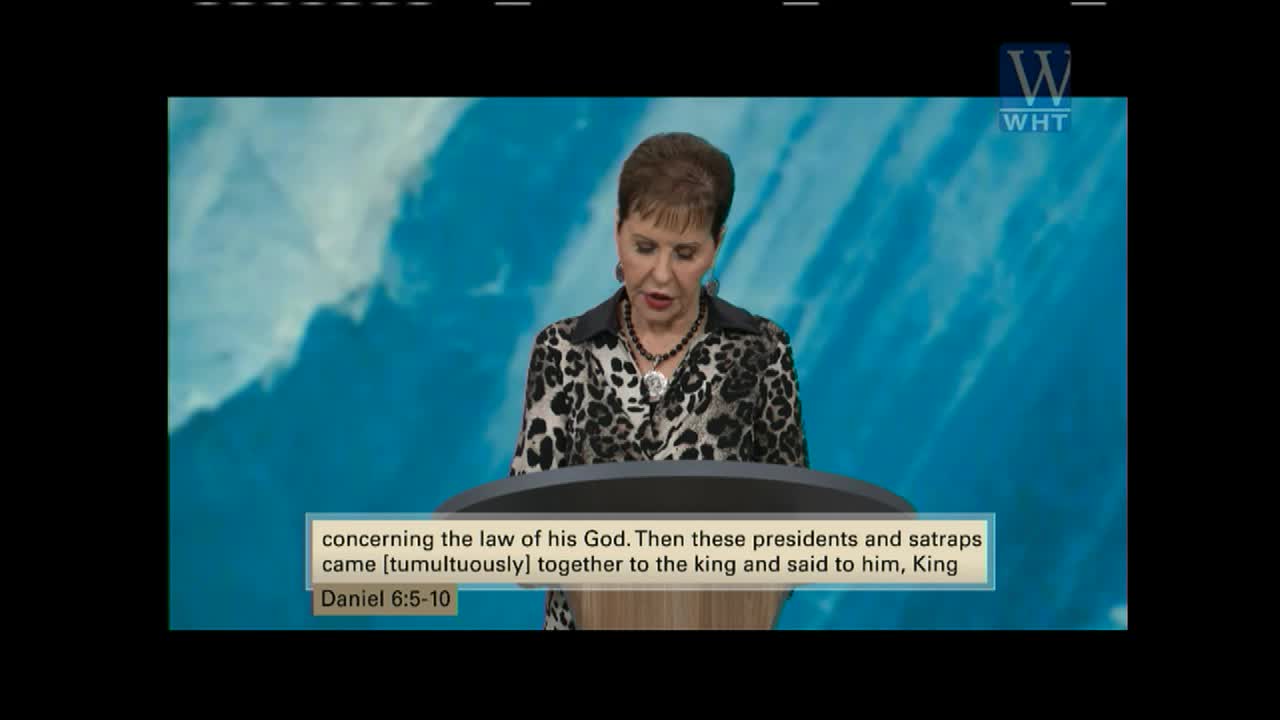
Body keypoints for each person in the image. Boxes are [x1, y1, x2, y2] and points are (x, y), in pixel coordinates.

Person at [506, 131, 810, 630]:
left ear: (717, 245)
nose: (661, 275)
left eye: (685, 253)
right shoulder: (563, 352)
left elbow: (794, 534)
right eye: (644, 247)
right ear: (617, 231)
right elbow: (524, 546)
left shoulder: (761, 352)